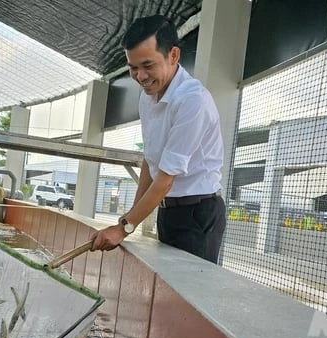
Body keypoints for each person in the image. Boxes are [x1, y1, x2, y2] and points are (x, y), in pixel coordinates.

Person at [90, 15, 226, 264]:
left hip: (197, 213)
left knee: (190, 294)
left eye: (148, 65)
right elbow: (150, 162)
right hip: (167, 210)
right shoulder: (147, 97)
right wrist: (129, 218)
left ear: (173, 55)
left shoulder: (192, 101)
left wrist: (123, 228)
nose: (140, 76)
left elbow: (164, 180)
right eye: (133, 68)